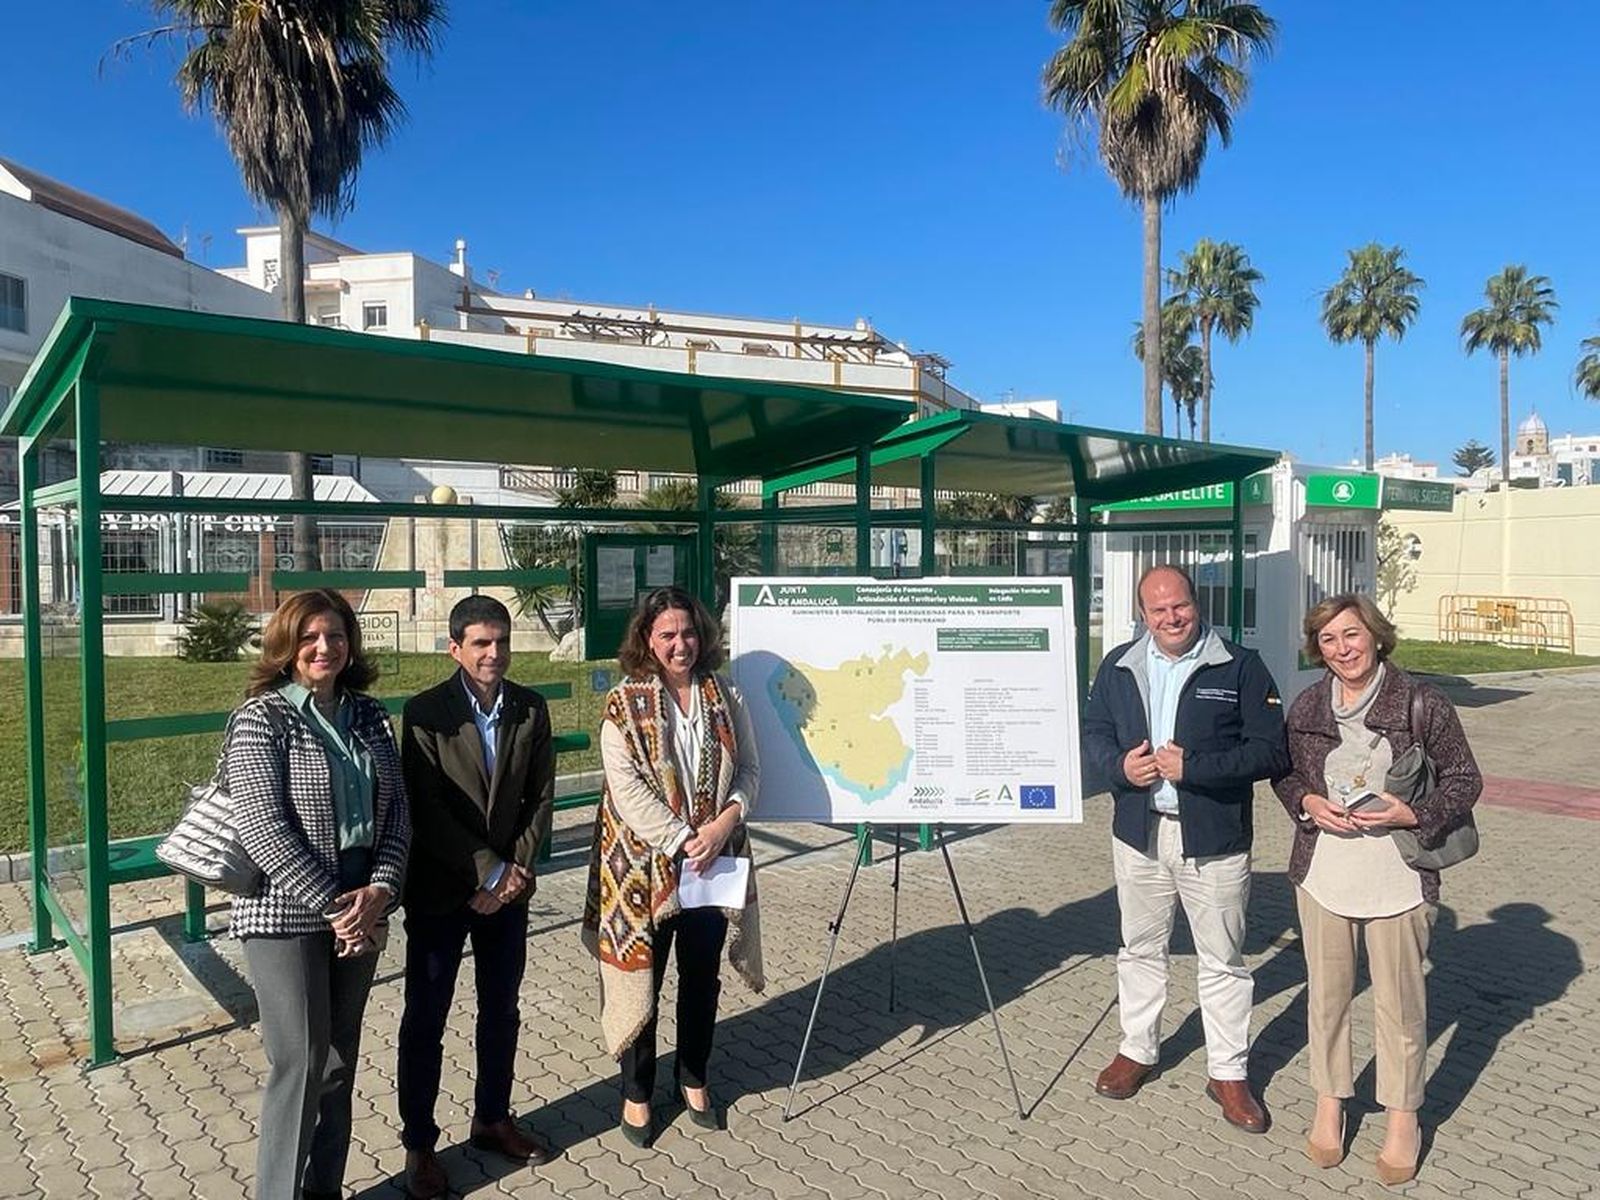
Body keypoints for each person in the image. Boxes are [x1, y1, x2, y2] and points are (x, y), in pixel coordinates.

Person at [1274, 592, 1481, 1184]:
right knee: (1328, 998)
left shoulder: (1421, 702)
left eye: (1352, 635)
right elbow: (1286, 775)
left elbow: (1466, 778)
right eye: (1330, 640)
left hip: (1398, 876)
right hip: (1323, 875)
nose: (1343, 649)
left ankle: (1402, 1118)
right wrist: (1308, 803)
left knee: (1401, 1007)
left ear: (1376, 635)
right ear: (1319, 648)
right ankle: (1330, 1103)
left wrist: (1411, 815)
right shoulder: (1309, 703)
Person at [1081, 564, 1288, 1132]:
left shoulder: (1240, 666)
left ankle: (1228, 1072)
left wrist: (1194, 768)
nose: (1171, 618)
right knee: (1140, 949)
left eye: (1181, 607)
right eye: (1158, 609)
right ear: (1142, 614)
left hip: (1213, 839)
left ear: (1198, 605)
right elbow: (1093, 732)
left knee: (1222, 960)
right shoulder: (1121, 664)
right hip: (1139, 834)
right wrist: (1119, 767)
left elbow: (1271, 751)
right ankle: (1137, 1051)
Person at [226, 589, 411, 1200]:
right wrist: (340, 910)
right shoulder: (263, 716)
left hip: (364, 908)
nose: (324, 647)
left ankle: (323, 1189)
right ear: (287, 645)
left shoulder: (369, 714)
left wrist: (380, 888)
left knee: (337, 1062)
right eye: (309, 637)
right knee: (300, 1063)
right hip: (286, 913)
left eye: (334, 635)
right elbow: (263, 828)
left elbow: (399, 815)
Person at [580, 586, 764, 1146]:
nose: (680, 644)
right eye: (667, 635)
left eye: (687, 632)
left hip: (715, 860)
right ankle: (637, 1092)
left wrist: (724, 824)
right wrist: (686, 837)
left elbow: (750, 771)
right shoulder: (624, 700)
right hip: (642, 868)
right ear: (647, 639)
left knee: (701, 975)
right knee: (643, 977)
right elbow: (626, 789)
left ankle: (693, 1076)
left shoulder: (724, 694)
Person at [397, 596, 557, 1197]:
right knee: (425, 1021)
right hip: (443, 891)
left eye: (501, 642)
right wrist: (487, 873)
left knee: (501, 1011)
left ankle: (493, 1117)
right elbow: (426, 808)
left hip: (508, 893)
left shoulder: (529, 708)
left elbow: (539, 798)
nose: (494, 654)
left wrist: (514, 872)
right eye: (481, 643)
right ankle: (419, 1147)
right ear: (455, 648)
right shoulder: (424, 713)